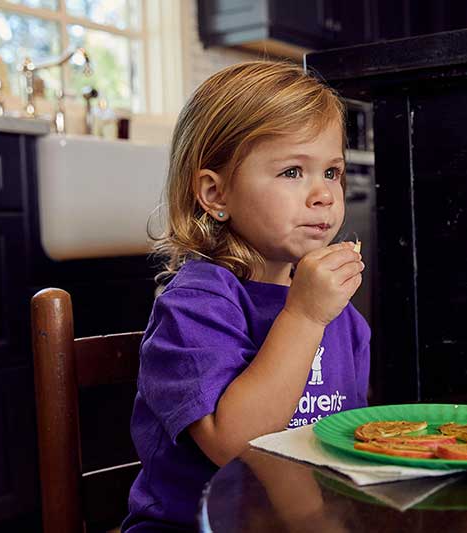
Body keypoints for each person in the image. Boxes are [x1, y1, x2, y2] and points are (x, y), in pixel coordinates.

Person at [121, 60, 371, 532]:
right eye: (293, 171)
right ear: (216, 194)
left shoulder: (336, 310)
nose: (324, 195)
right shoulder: (196, 302)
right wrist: (303, 317)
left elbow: (341, 445)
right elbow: (234, 446)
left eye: (333, 172)